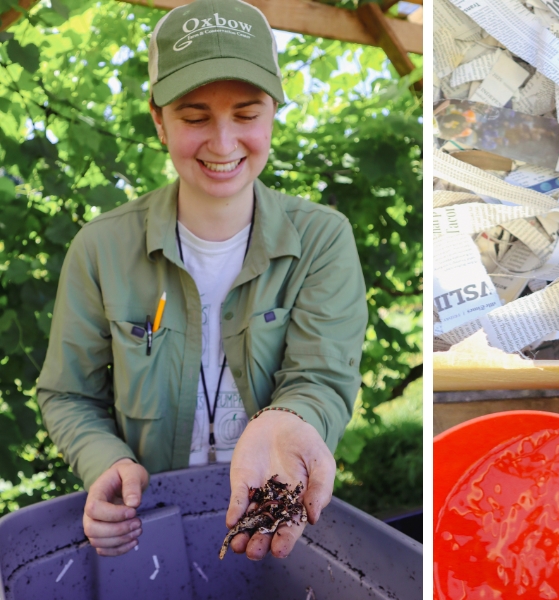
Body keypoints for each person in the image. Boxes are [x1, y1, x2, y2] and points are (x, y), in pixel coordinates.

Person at [34, 0, 367, 561]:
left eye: (246, 114)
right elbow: (68, 394)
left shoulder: (322, 239)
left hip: (275, 509)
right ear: (159, 119)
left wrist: (290, 420)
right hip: (151, 521)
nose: (222, 142)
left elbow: (322, 377)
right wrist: (106, 462)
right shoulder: (101, 248)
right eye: (194, 117)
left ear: (273, 113)